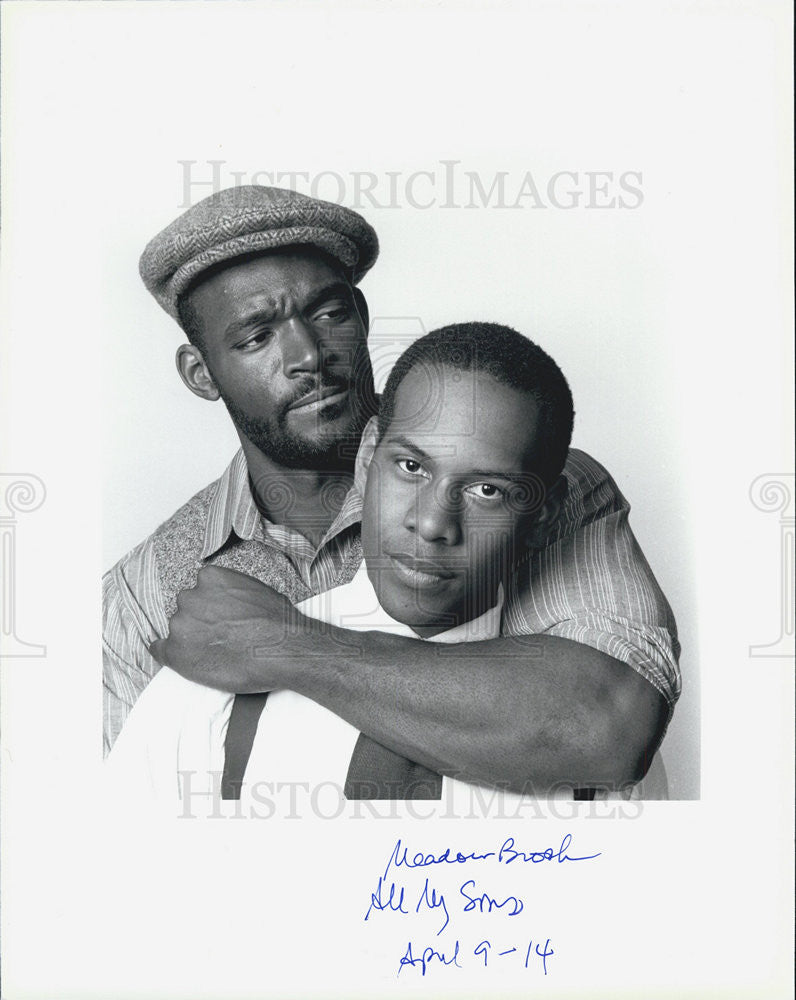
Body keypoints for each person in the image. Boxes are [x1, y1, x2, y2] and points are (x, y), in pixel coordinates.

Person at [104, 184, 680, 796]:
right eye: (256, 337)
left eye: (329, 314)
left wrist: (286, 644)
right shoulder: (143, 593)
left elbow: (604, 729)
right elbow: (127, 835)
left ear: (363, 317)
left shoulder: (546, 483)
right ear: (201, 374)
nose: (307, 356)